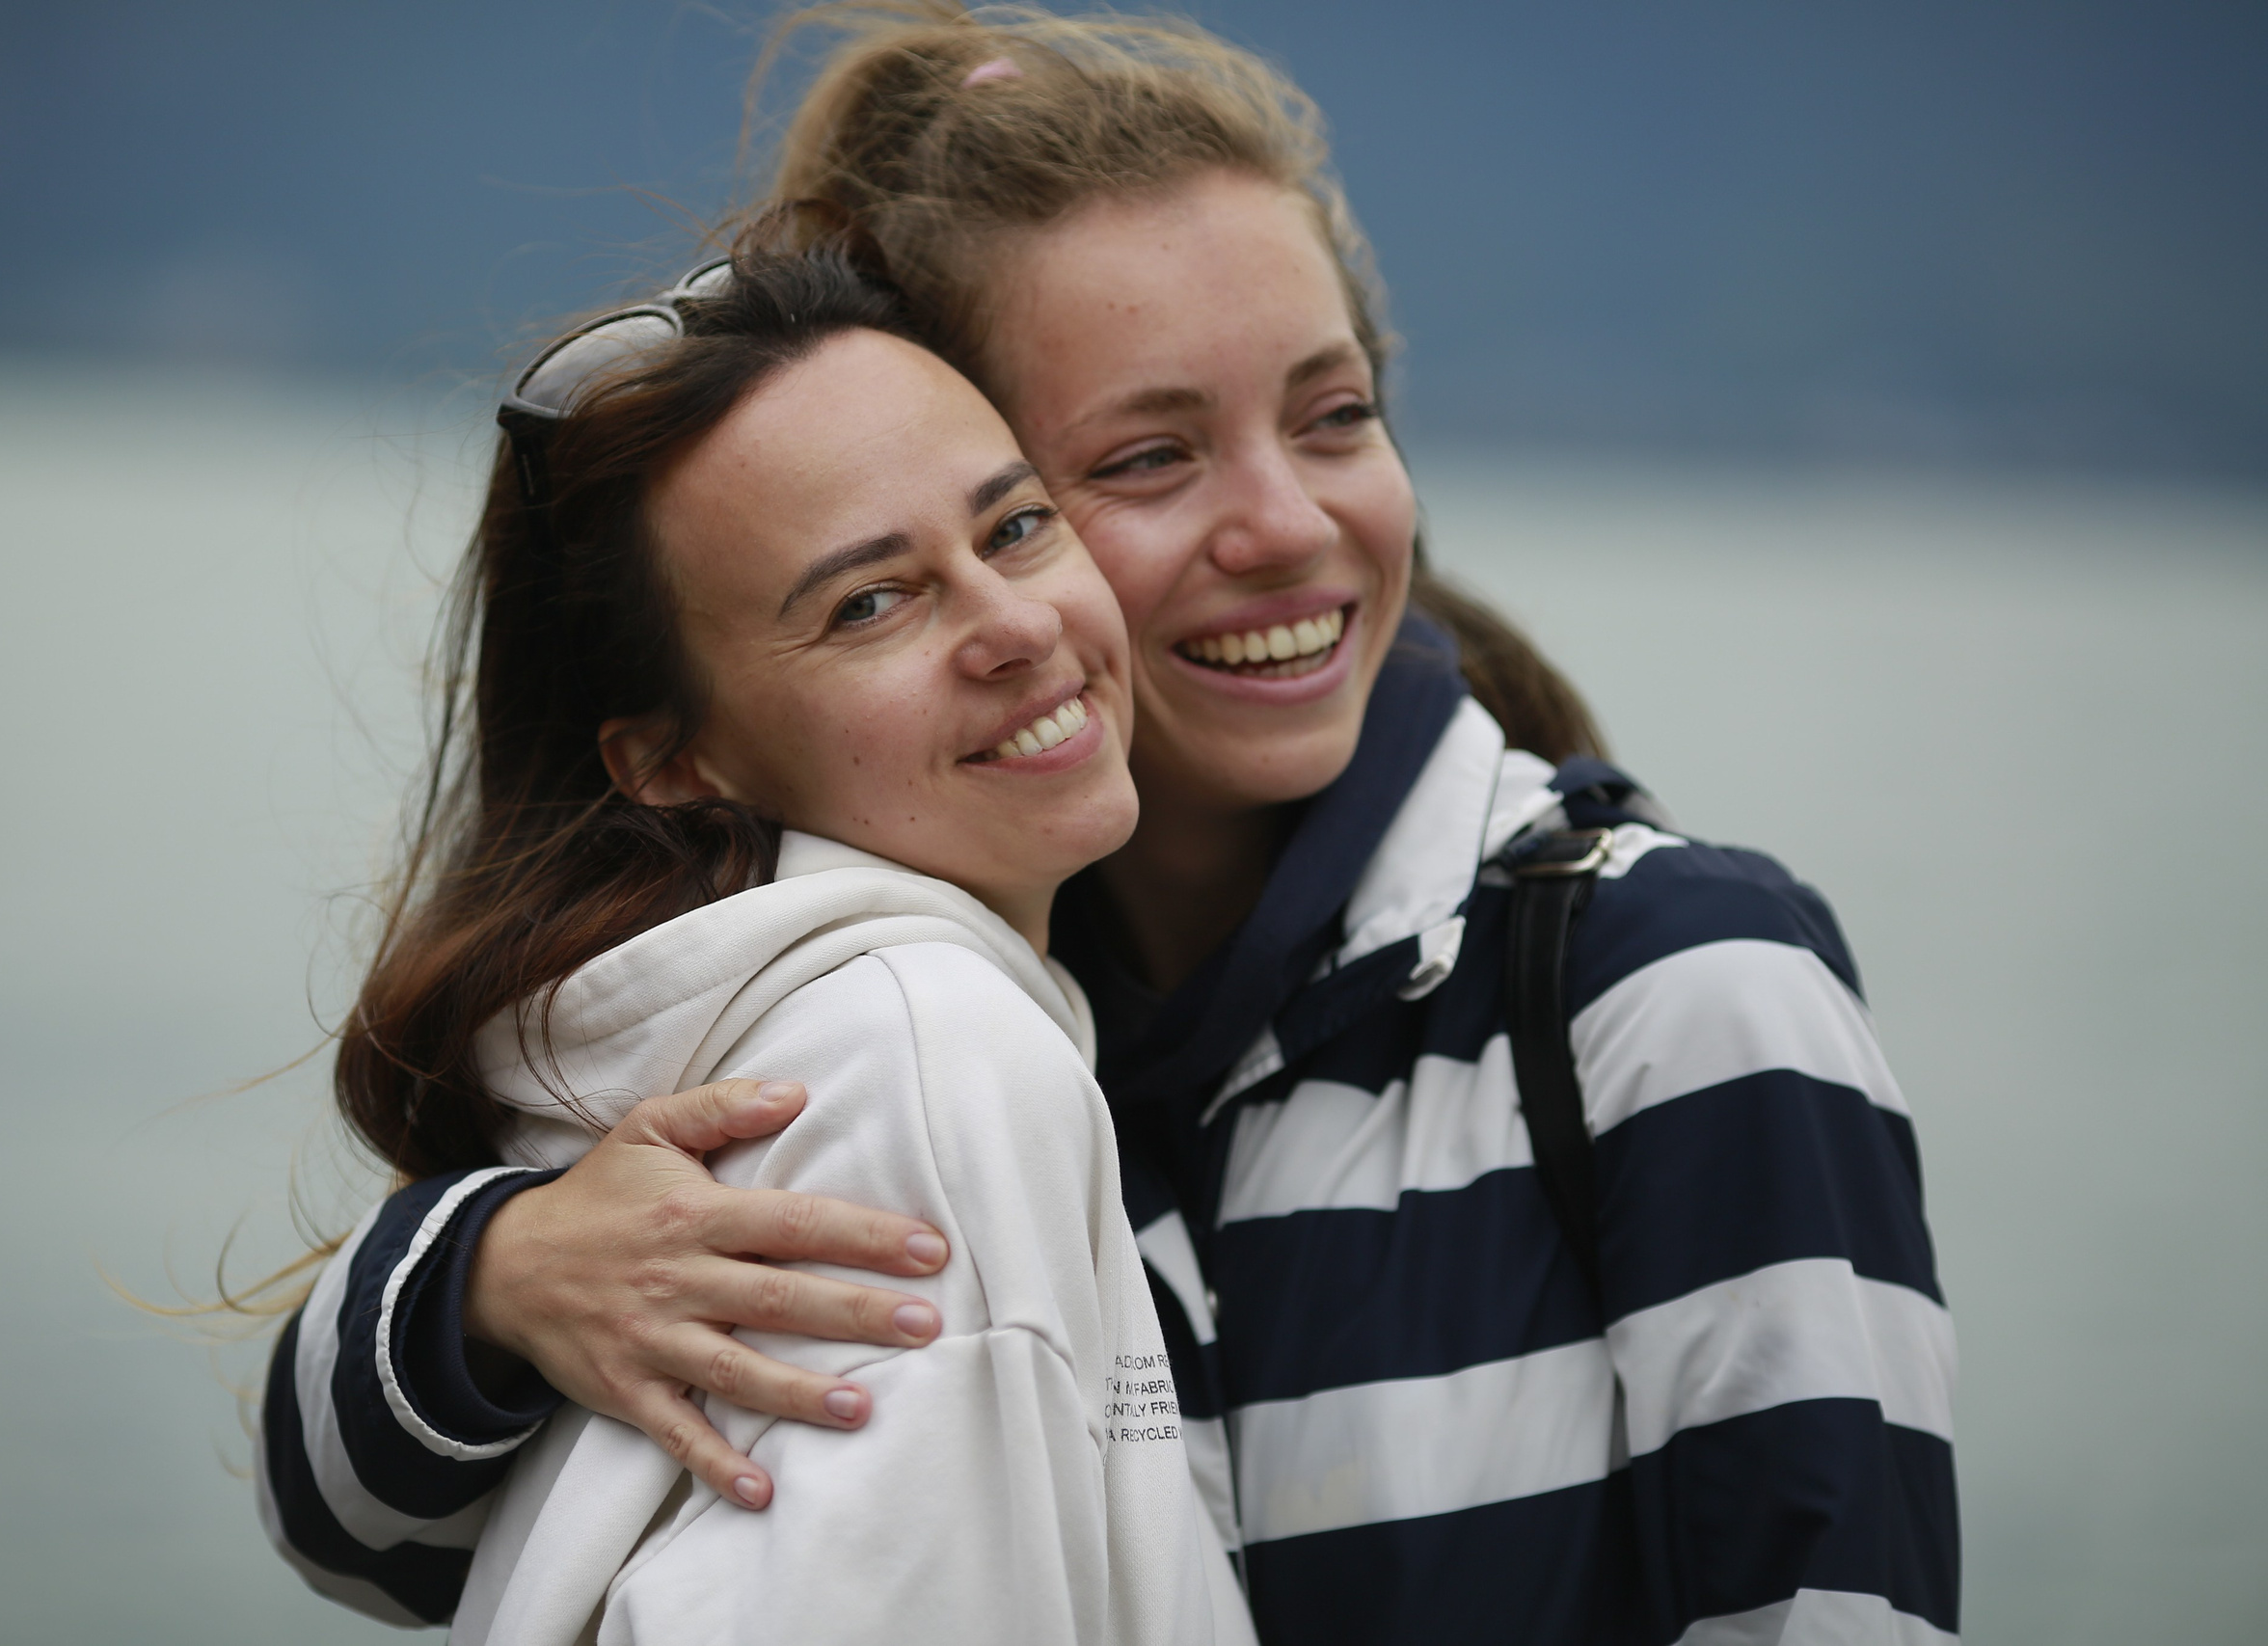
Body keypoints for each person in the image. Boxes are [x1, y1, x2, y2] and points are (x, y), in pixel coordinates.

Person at [262, 6, 1958, 1642]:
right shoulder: (903, 1029)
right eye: (1150, 457)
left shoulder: (1668, 989)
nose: (1288, 524)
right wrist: (494, 1278)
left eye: (1335, 413)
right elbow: (392, 1550)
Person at [259, 236, 1252, 1643]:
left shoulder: (687, 1046)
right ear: (672, 761)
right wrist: (480, 1279)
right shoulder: (927, 1059)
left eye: (1016, 526)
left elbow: (367, 1554)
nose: (1017, 625)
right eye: (870, 602)